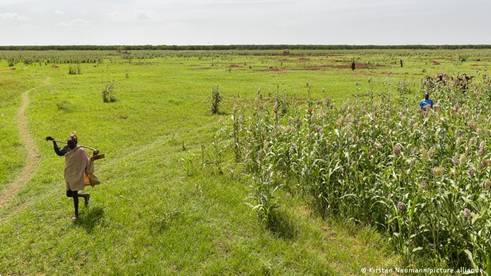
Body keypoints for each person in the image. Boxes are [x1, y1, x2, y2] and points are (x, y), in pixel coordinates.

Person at [46, 133, 90, 221]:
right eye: (68, 144)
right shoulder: (67, 147)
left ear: (75, 143)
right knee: (69, 194)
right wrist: (54, 141)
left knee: (74, 195)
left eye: (71, 144)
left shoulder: (80, 150)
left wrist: (94, 155)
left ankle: (76, 215)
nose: (69, 146)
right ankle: (85, 196)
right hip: (69, 174)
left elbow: (87, 161)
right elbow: (59, 152)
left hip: (76, 175)